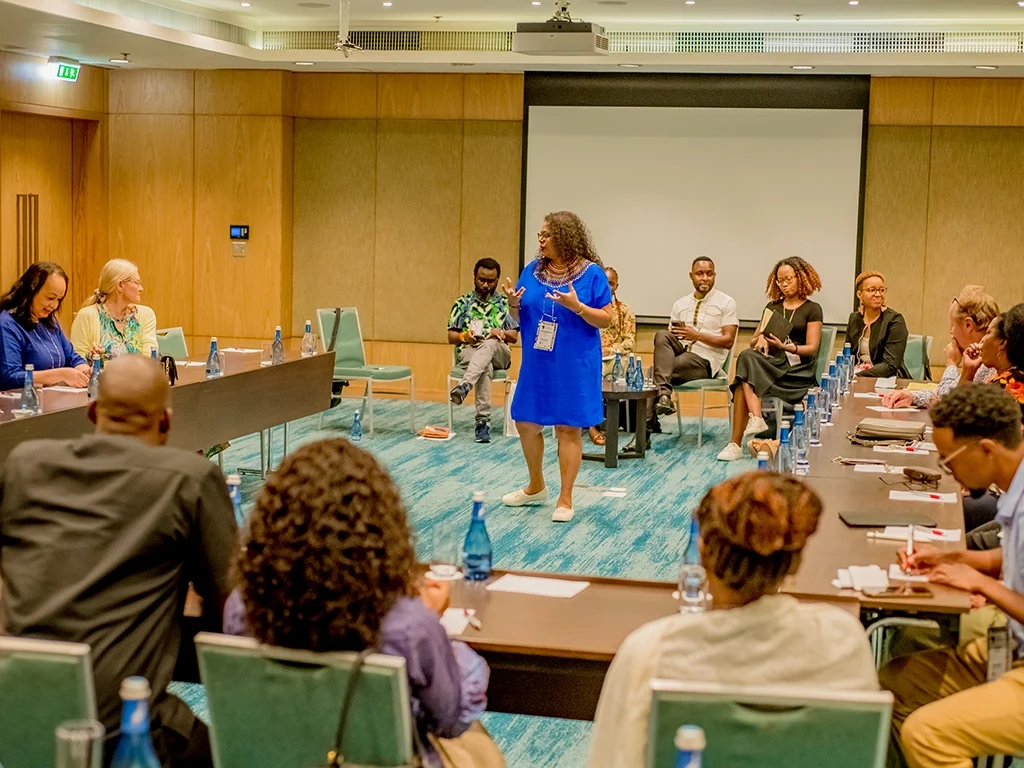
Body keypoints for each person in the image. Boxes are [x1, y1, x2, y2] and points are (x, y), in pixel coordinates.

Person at [0, 356, 237, 767]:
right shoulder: (190, 479)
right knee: (244, 754)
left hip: (16, 712)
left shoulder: (24, 463)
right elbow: (232, 607)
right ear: (165, 422)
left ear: (93, 411)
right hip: (122, 728)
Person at [225, 439, 504, 768]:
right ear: (380, 532)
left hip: (282, 758)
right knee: (481, 749)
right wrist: (433, 623)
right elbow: (449, 721)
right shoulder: (410, 627)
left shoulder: (241, 607)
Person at [586, 472, 878, 768]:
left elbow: (612, 759)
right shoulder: (844, 640)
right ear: (795, 563)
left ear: (702, 554)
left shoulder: (650, 652)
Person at [879, 384, 1024, 768]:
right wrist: (958, 557)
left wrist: (982, 584)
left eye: (949, 460)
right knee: (893, 683)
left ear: (987, 450)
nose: (946, 471)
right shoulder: (1016, 489)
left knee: (927, 735)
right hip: (1011, 643)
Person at [500, 212, 613, 523]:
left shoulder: (592, 275)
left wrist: (577, 307)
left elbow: (607, 317)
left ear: (565, 237)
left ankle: (565, 498)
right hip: (538, 361)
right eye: (540, 234)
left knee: (567, 427)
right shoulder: (532, 270)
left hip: (574, 363)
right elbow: (518, 314)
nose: (540, 240)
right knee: (525, 421)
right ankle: (536, 485)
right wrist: (512, 303)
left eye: (547, 235)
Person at [718, 257, 823, 462]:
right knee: (747, 363)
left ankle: (740, 438)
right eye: (780, 280)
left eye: (788, 279)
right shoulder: (772, 307)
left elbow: (812, 348)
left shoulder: (812, 309)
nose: (784, 284)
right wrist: (763, 338)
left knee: (744, 375)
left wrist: (787, 346)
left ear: (801, 278)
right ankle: (743, 435)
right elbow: (753, 341)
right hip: (772, 367)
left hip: (796, 374)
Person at [882, 285, 1000, 410]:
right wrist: (912, 396)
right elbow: (945, 394)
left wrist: (951, 363)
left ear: (968, 325)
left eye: (953, 325)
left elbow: (948, 399)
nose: (951, 332)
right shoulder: (981, 353)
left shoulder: (988, 360)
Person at [652, 257, 738, 422]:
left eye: (709, 274)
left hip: (705, 361)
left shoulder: (726, 302)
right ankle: (663, 398)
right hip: (681, 352)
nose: (705, 278)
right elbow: (670, 339)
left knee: (655, 373)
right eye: (700, 274)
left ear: (714, 276)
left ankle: (645, 429)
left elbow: (728, 341)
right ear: (691, 276)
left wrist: (697, 336)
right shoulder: (680, 304)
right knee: (662, 335)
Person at [447, 258, 520, 444]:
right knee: (483, 364)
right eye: (481, 280)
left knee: (490, 344)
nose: (486, 284)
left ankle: (465, 385)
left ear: (497, 280)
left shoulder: (505, 303)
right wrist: (465, 337)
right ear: (474, 277)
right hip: (470, 351)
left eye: (491, 281)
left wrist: (499, 333)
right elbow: (451, 337)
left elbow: (513, 336)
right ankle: (482, 422)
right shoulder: (462, 303)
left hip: (500, 353)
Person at [0, 261, 89, 390]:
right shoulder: (7, 323)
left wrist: (85, 371)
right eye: (50, 298)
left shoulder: (50, 322)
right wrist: (60, 374)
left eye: (59, 299)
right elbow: (10, 376)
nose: (54, 306)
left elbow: (72, 357)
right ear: (32, 288)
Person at [70, 258, 158, 360]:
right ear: (120, 285)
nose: (141, 288)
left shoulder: (146, 315)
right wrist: (91, 357)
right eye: (137, 283)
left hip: (138, 376)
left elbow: (150, 359)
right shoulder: (87, 316)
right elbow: (76, 361)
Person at [591, 266, 636, 446]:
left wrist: (612, 349)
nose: (607, 286)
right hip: (592, 355)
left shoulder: (624, 310)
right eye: (604, 282)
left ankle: (599, 424)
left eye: (611, 283)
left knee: (605, 369)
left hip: (615, 357)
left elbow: (630, 341)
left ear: (616, 286)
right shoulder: (587, 308)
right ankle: (591, 425)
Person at [845, 271, 911, 379]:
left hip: (887, 380)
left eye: (881, 290)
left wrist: (856, 375)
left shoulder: (895, 320)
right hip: (858, 377)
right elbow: (847, 355)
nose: (878, 294)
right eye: (872, 290)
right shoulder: (854, 318)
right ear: (859, 294)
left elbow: (890, 365)